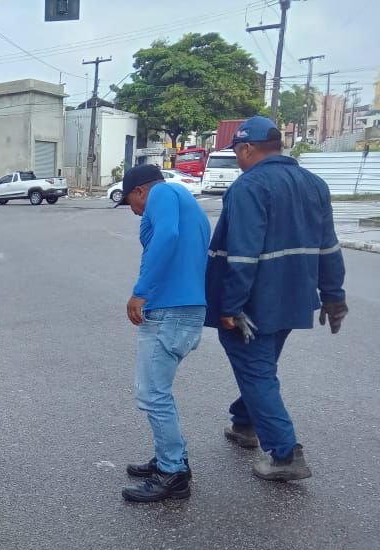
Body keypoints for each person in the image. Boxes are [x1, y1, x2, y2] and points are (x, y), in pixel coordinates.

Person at [206, 115, 348, 481]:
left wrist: (231, 306)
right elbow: (329, 245)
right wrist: (333, 295)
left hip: (254, 305)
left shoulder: (249, 187)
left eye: (237, 151)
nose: (237, 158)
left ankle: (285, 453)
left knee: (256, 372)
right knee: (260, 368)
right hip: (294, 299)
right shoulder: (314, 184)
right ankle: (244, 422)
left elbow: (242, 255)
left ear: (248, 148)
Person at [115, 164, 210, 503]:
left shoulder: (164, 193)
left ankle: (173, 473)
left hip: (170, 310)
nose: (134, 209)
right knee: (158, 393)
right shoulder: (184, 200)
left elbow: (167, 236)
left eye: (131, 202)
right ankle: (169, 458)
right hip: (184, 310)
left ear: (141, 190)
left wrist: (142, 290)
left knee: (153, 394)